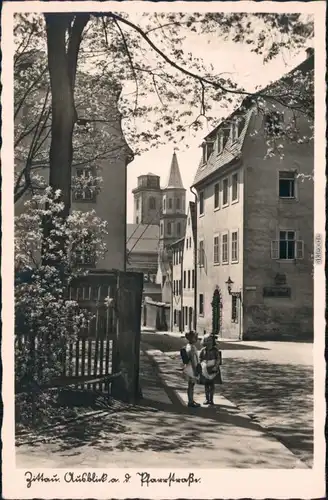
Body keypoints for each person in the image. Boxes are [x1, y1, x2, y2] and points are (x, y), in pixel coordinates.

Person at [199, 334, 222, 406]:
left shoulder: (215, 350)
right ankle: (207, 398)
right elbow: (200, 358)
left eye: (210, 341)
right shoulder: (203, 350)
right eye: (207, 341)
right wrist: (201, 363)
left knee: (212, 384)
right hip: (205, 368)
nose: (208, 343)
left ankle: (211, 399)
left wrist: (216, 366)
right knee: (206, 384)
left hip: (213, 368)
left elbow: (218, 359)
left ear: (213, 342)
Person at [182, 331, 201, 408]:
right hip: (191, 369)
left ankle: (191, 400)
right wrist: (195, 370)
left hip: (188, 367)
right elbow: (193, 360)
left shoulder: (188, 346)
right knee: (191, 386)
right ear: (191, 338)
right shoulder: (192, 348)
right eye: (195, 337)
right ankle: (190, 401)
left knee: (190, 385)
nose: (196, 338)